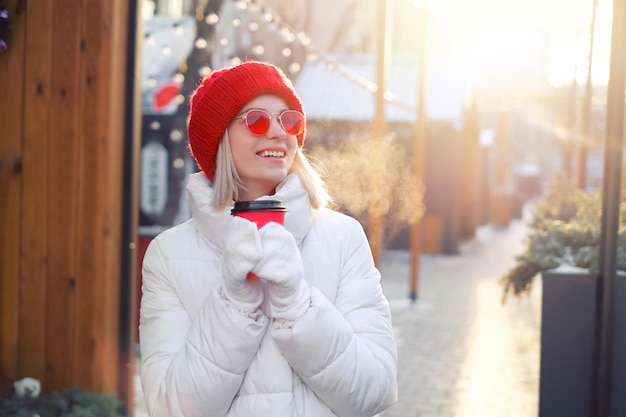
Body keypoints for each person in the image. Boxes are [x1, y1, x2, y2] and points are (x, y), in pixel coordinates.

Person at [139, 60, 398, 417]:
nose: (278, 132)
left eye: (289, 120)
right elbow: (169, 409)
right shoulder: (168, 254)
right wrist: (233, 305)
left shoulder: (343, 237)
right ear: (219, 138)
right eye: (257, 119)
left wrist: (298, 306)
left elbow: (375, 390)